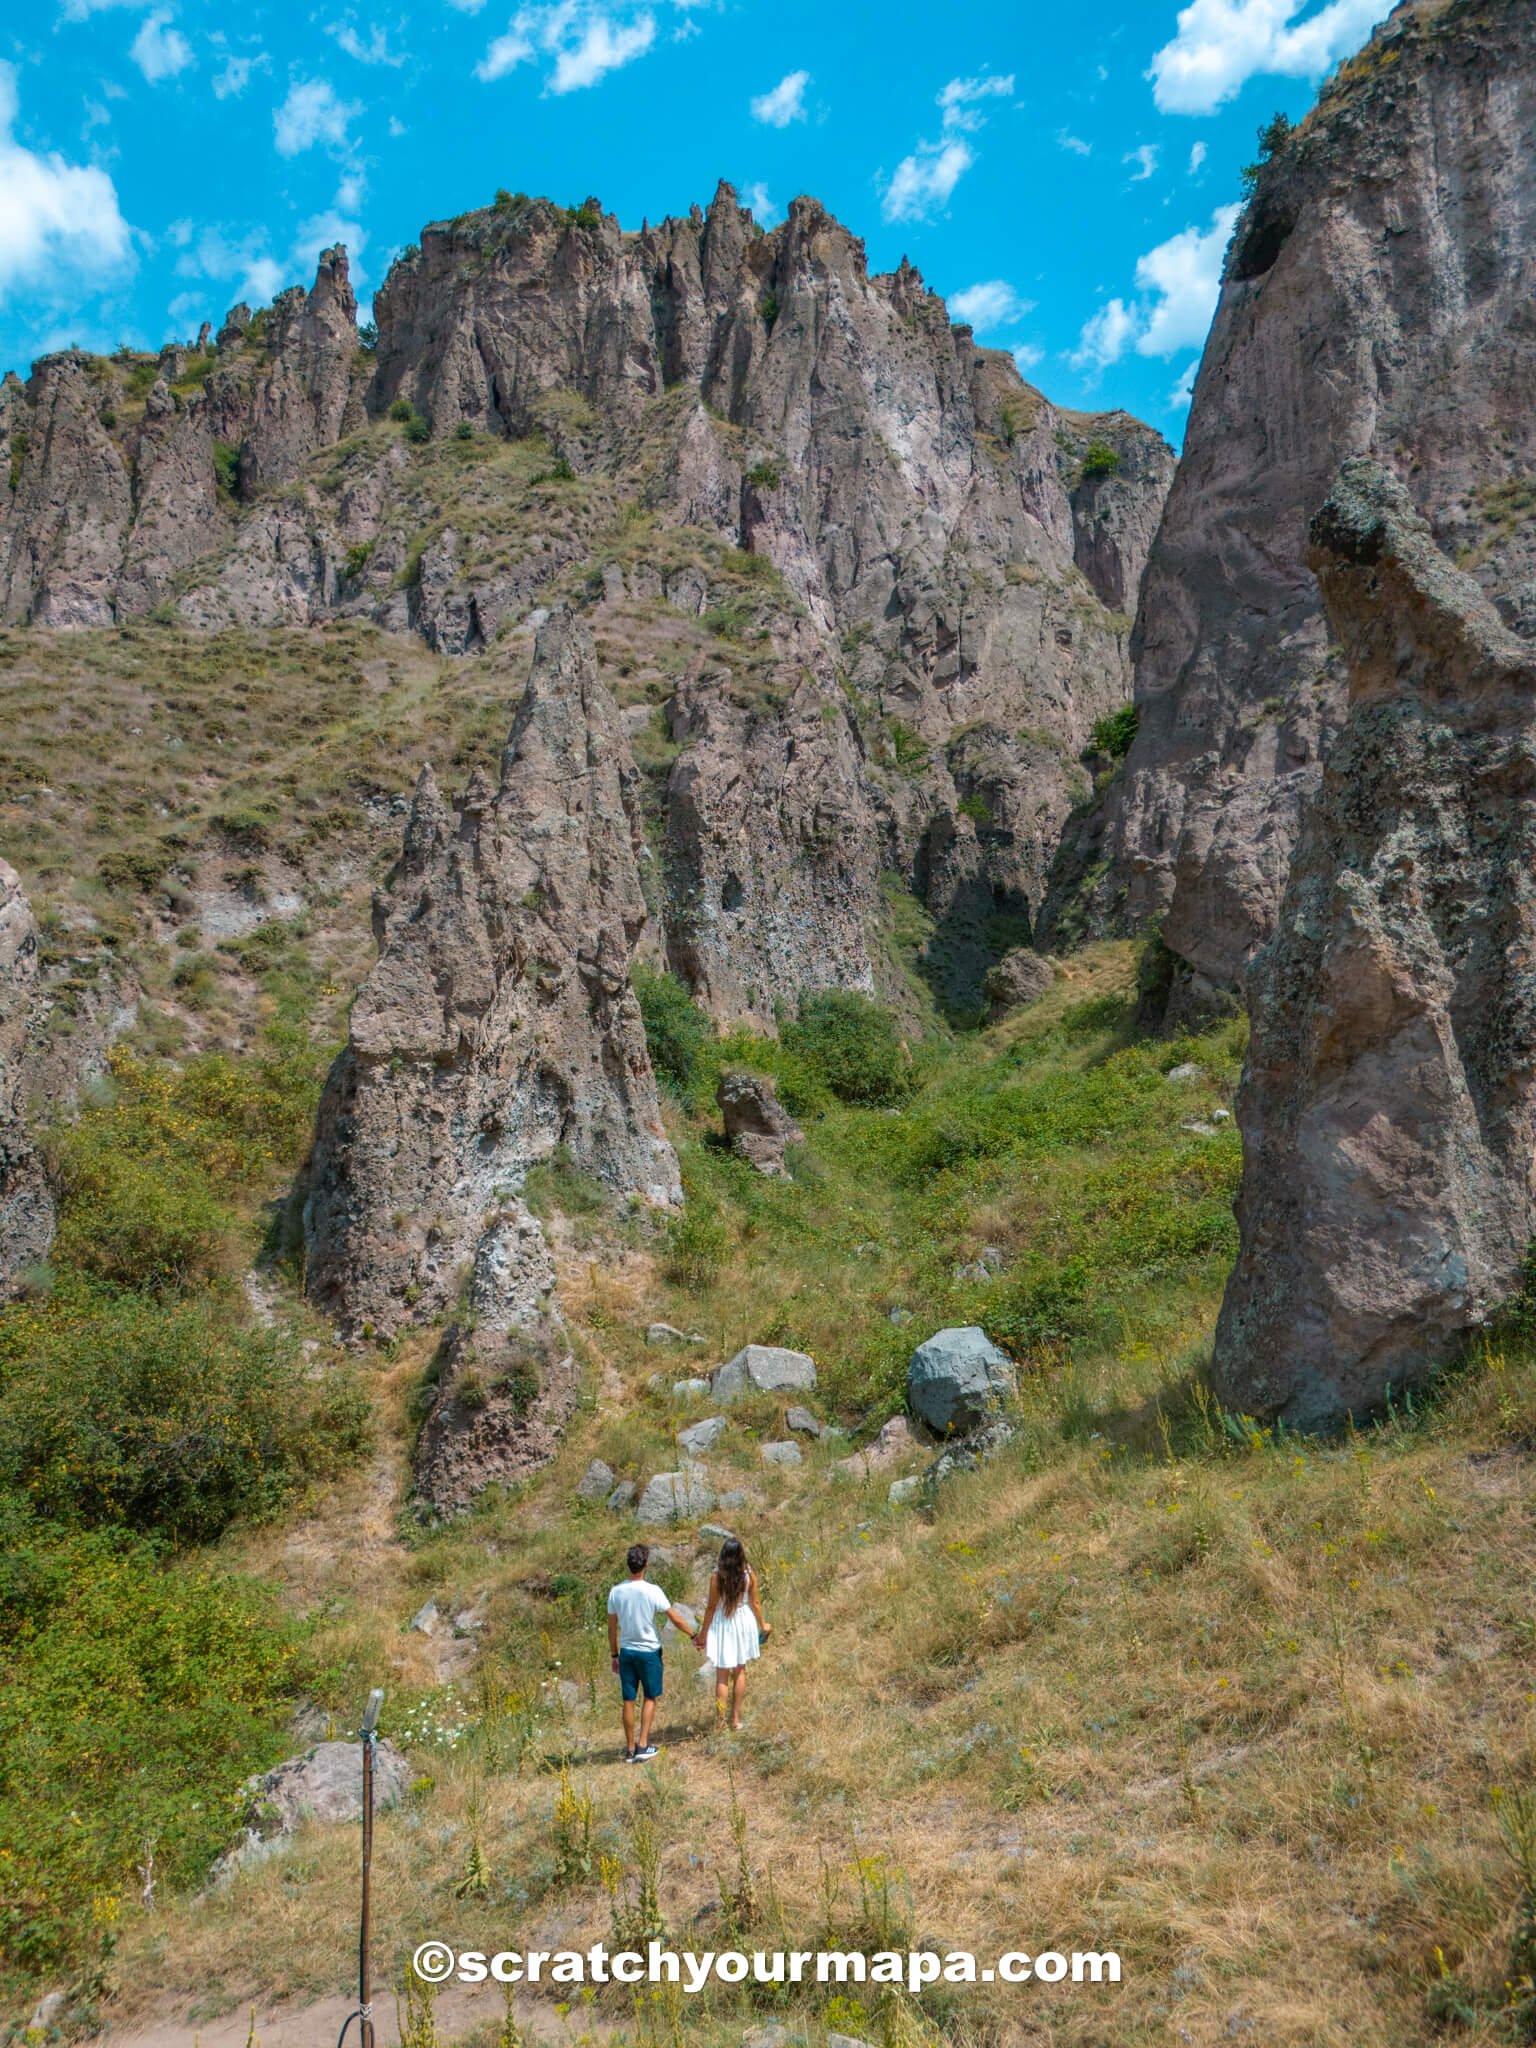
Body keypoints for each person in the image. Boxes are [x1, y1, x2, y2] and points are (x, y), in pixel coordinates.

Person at [606, 1542, 698, 1763]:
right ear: (646, 1564)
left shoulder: (616, 1592)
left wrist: (614, 1655)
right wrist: (693, 1635)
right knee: (650, 1697)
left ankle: (629, 1750)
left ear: (629, 1565)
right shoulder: (652, 1590)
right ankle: (643, 1745)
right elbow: (674, 1617)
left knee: (628, 1700)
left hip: (627, 1651)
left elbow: (611, 1627)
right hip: (648, 1652)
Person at [694, 1536, 771, 1731]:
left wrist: (702, 1635)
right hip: (743, 1620)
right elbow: (755, 1602)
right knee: (740, 1670)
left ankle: (720, 1723)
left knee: (722, 1676)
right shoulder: (748, 1574)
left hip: (723, 1622)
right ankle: (735, 1719)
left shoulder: (717, 1577)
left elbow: (711, 1608)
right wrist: (763, 1624)